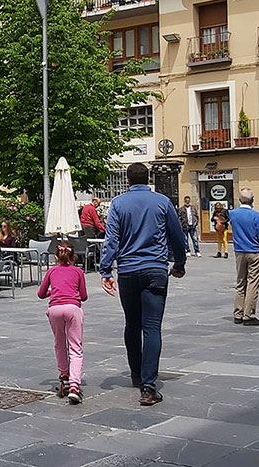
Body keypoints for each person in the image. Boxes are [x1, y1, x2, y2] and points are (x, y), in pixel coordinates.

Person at [99, 162, 186, 406]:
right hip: (155, 270)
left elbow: (111, 240)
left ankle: (136, 374)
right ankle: (149, 387)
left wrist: (106, 269)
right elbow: (177, 236)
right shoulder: (162, 202)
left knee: (132, 324)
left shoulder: (117, 204)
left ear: (127, 181)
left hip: (127, 271)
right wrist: (179, 263)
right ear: (148, 178)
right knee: (151, 327)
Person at [38, 241, 88, 405]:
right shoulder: (78, 271)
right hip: (72, 308)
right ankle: (74, 386)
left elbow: (41, 293)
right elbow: (84, 295)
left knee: (59, 343)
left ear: (56, 257)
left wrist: (53, 291)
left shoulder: (52, 271)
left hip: (55, 309)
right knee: (75, 347)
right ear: (74, 256)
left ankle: (64, 375)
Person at [230, 188, 259, 326]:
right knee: (252, 284)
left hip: (239, 252)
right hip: (254, 252)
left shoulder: (233, 214)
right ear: (252, 200)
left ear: (239, 200)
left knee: (240, 283)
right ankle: (249, 315)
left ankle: (238, 313)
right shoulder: (256, 216)